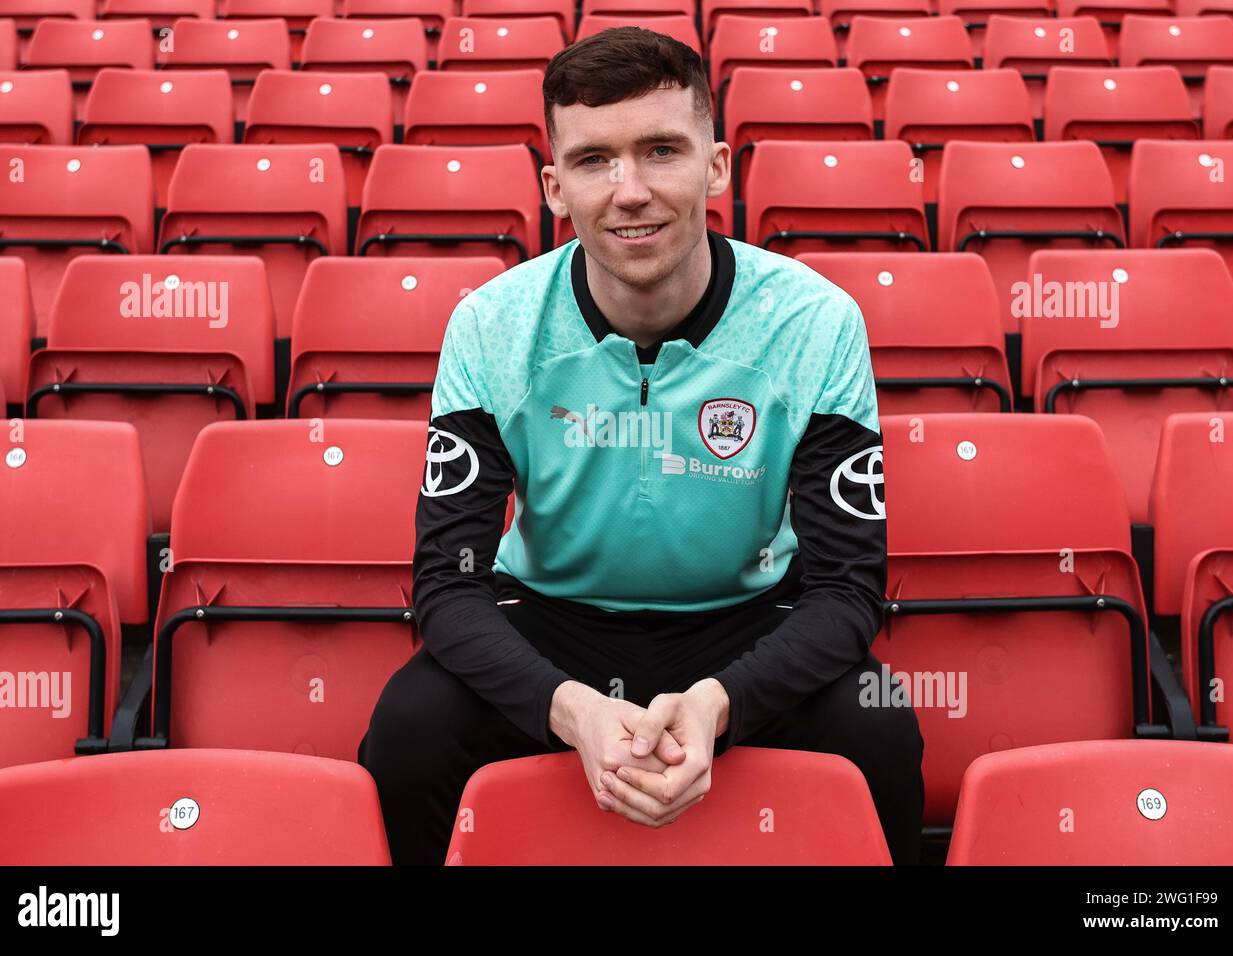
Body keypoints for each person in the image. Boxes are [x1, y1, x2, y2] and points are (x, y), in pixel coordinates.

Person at [358, 26, 924, 865]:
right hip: (549, 620)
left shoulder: (814, 322)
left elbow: (847, 590)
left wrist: (716, 703)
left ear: (718, 166)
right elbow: (449, 586)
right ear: (554, 186)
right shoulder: (492, 326)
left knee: (879, 726)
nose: (630, 191)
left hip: (744, 621)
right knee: (408, 733)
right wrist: (571, 709)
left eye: (662, 150)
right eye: (594, 161)